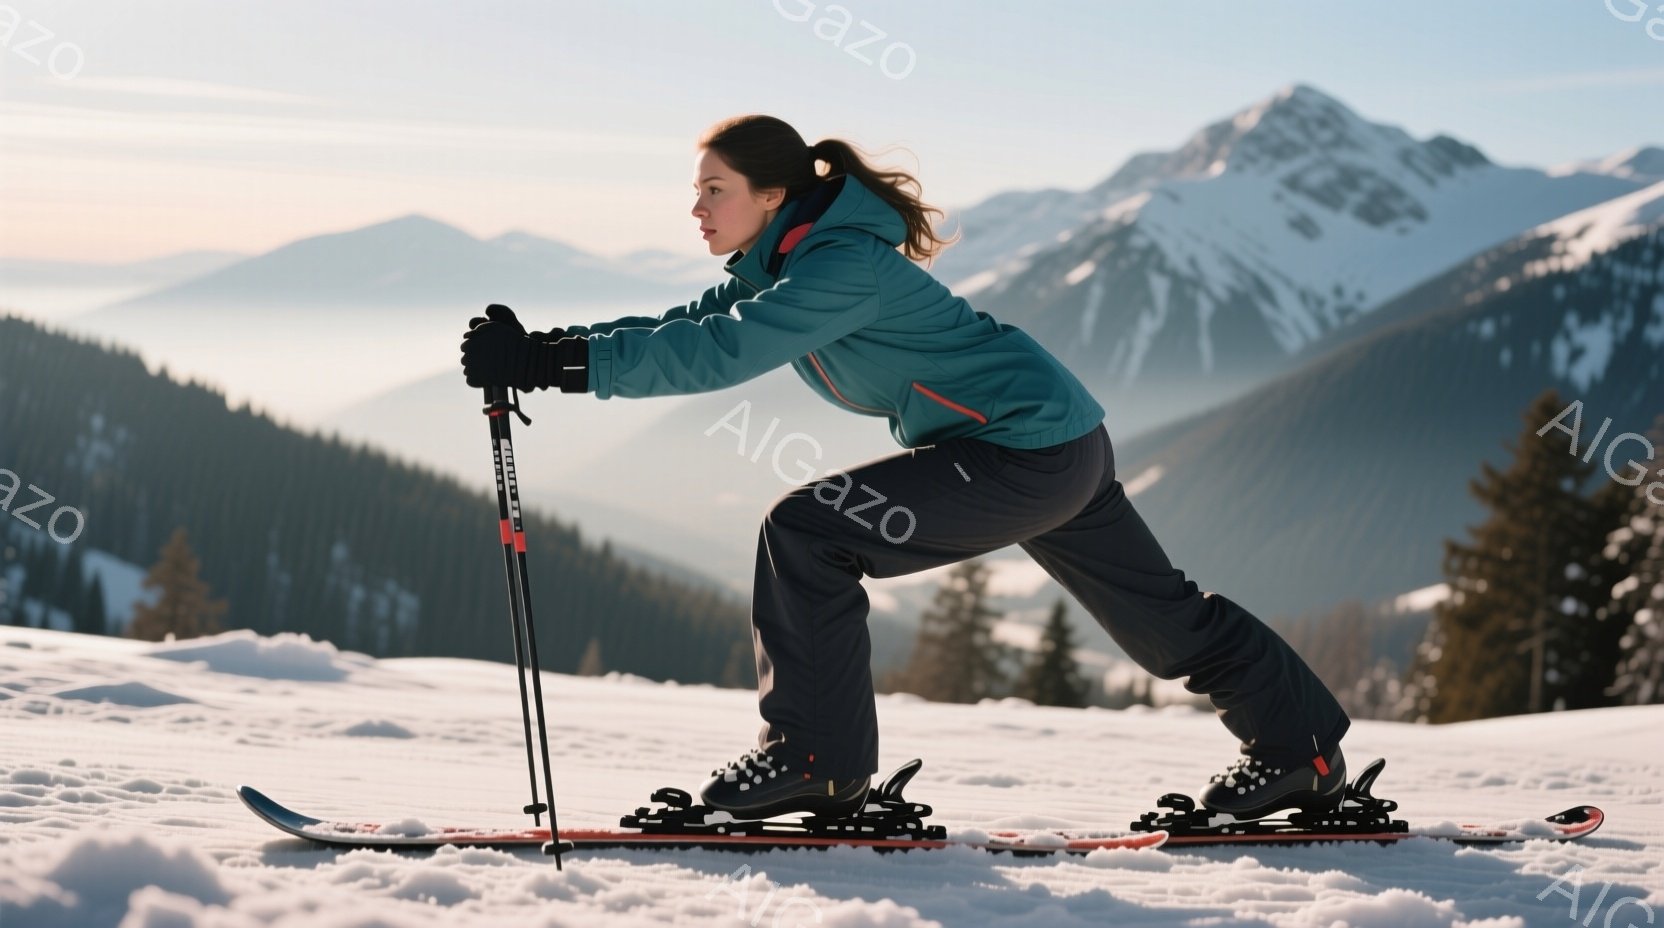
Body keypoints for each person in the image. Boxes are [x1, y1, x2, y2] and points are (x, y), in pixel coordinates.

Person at [460, 115, 1350, 823]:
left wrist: (548, 369)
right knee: (1164, 620)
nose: (696, 208)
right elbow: (684, 325)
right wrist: (545, 349)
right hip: (1057, 439)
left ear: (772, 194)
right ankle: (1301, 747)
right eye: (695, 191)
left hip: (1023, 450)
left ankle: (814, 763)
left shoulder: (837, 268)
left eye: (713, 190)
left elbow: (719, 356)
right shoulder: (790, 257)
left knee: (806, 531)